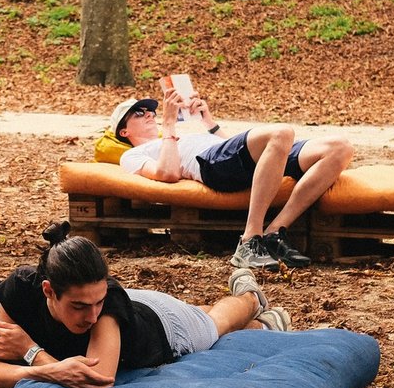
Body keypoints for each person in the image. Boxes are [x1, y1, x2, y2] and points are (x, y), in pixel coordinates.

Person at [0, 226, 291, 388]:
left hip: (165, 327)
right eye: (79, 306)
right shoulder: (21, 287)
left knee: (215, 323)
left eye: (96, 303)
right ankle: (265, 321)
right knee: (201, 313)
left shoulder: (106, 305)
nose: (91, 316)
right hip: (133, 309)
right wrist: (48, 370)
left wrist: (31, 352)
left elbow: (94, 379)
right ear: (49, 290)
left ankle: (251, 298)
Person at [110, 88, 353, 269]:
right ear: (124, 131)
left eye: (150, 110)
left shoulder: (184, 134)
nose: (149, 114)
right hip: (211, 165)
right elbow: (168, 173)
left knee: (340, 147)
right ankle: (249, 240)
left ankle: (274, 232)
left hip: (229, 155)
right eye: (139, 113)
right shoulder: (133, 155)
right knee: (281, 132)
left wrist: (209, 122)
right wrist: (169, 124)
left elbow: (242, 147)